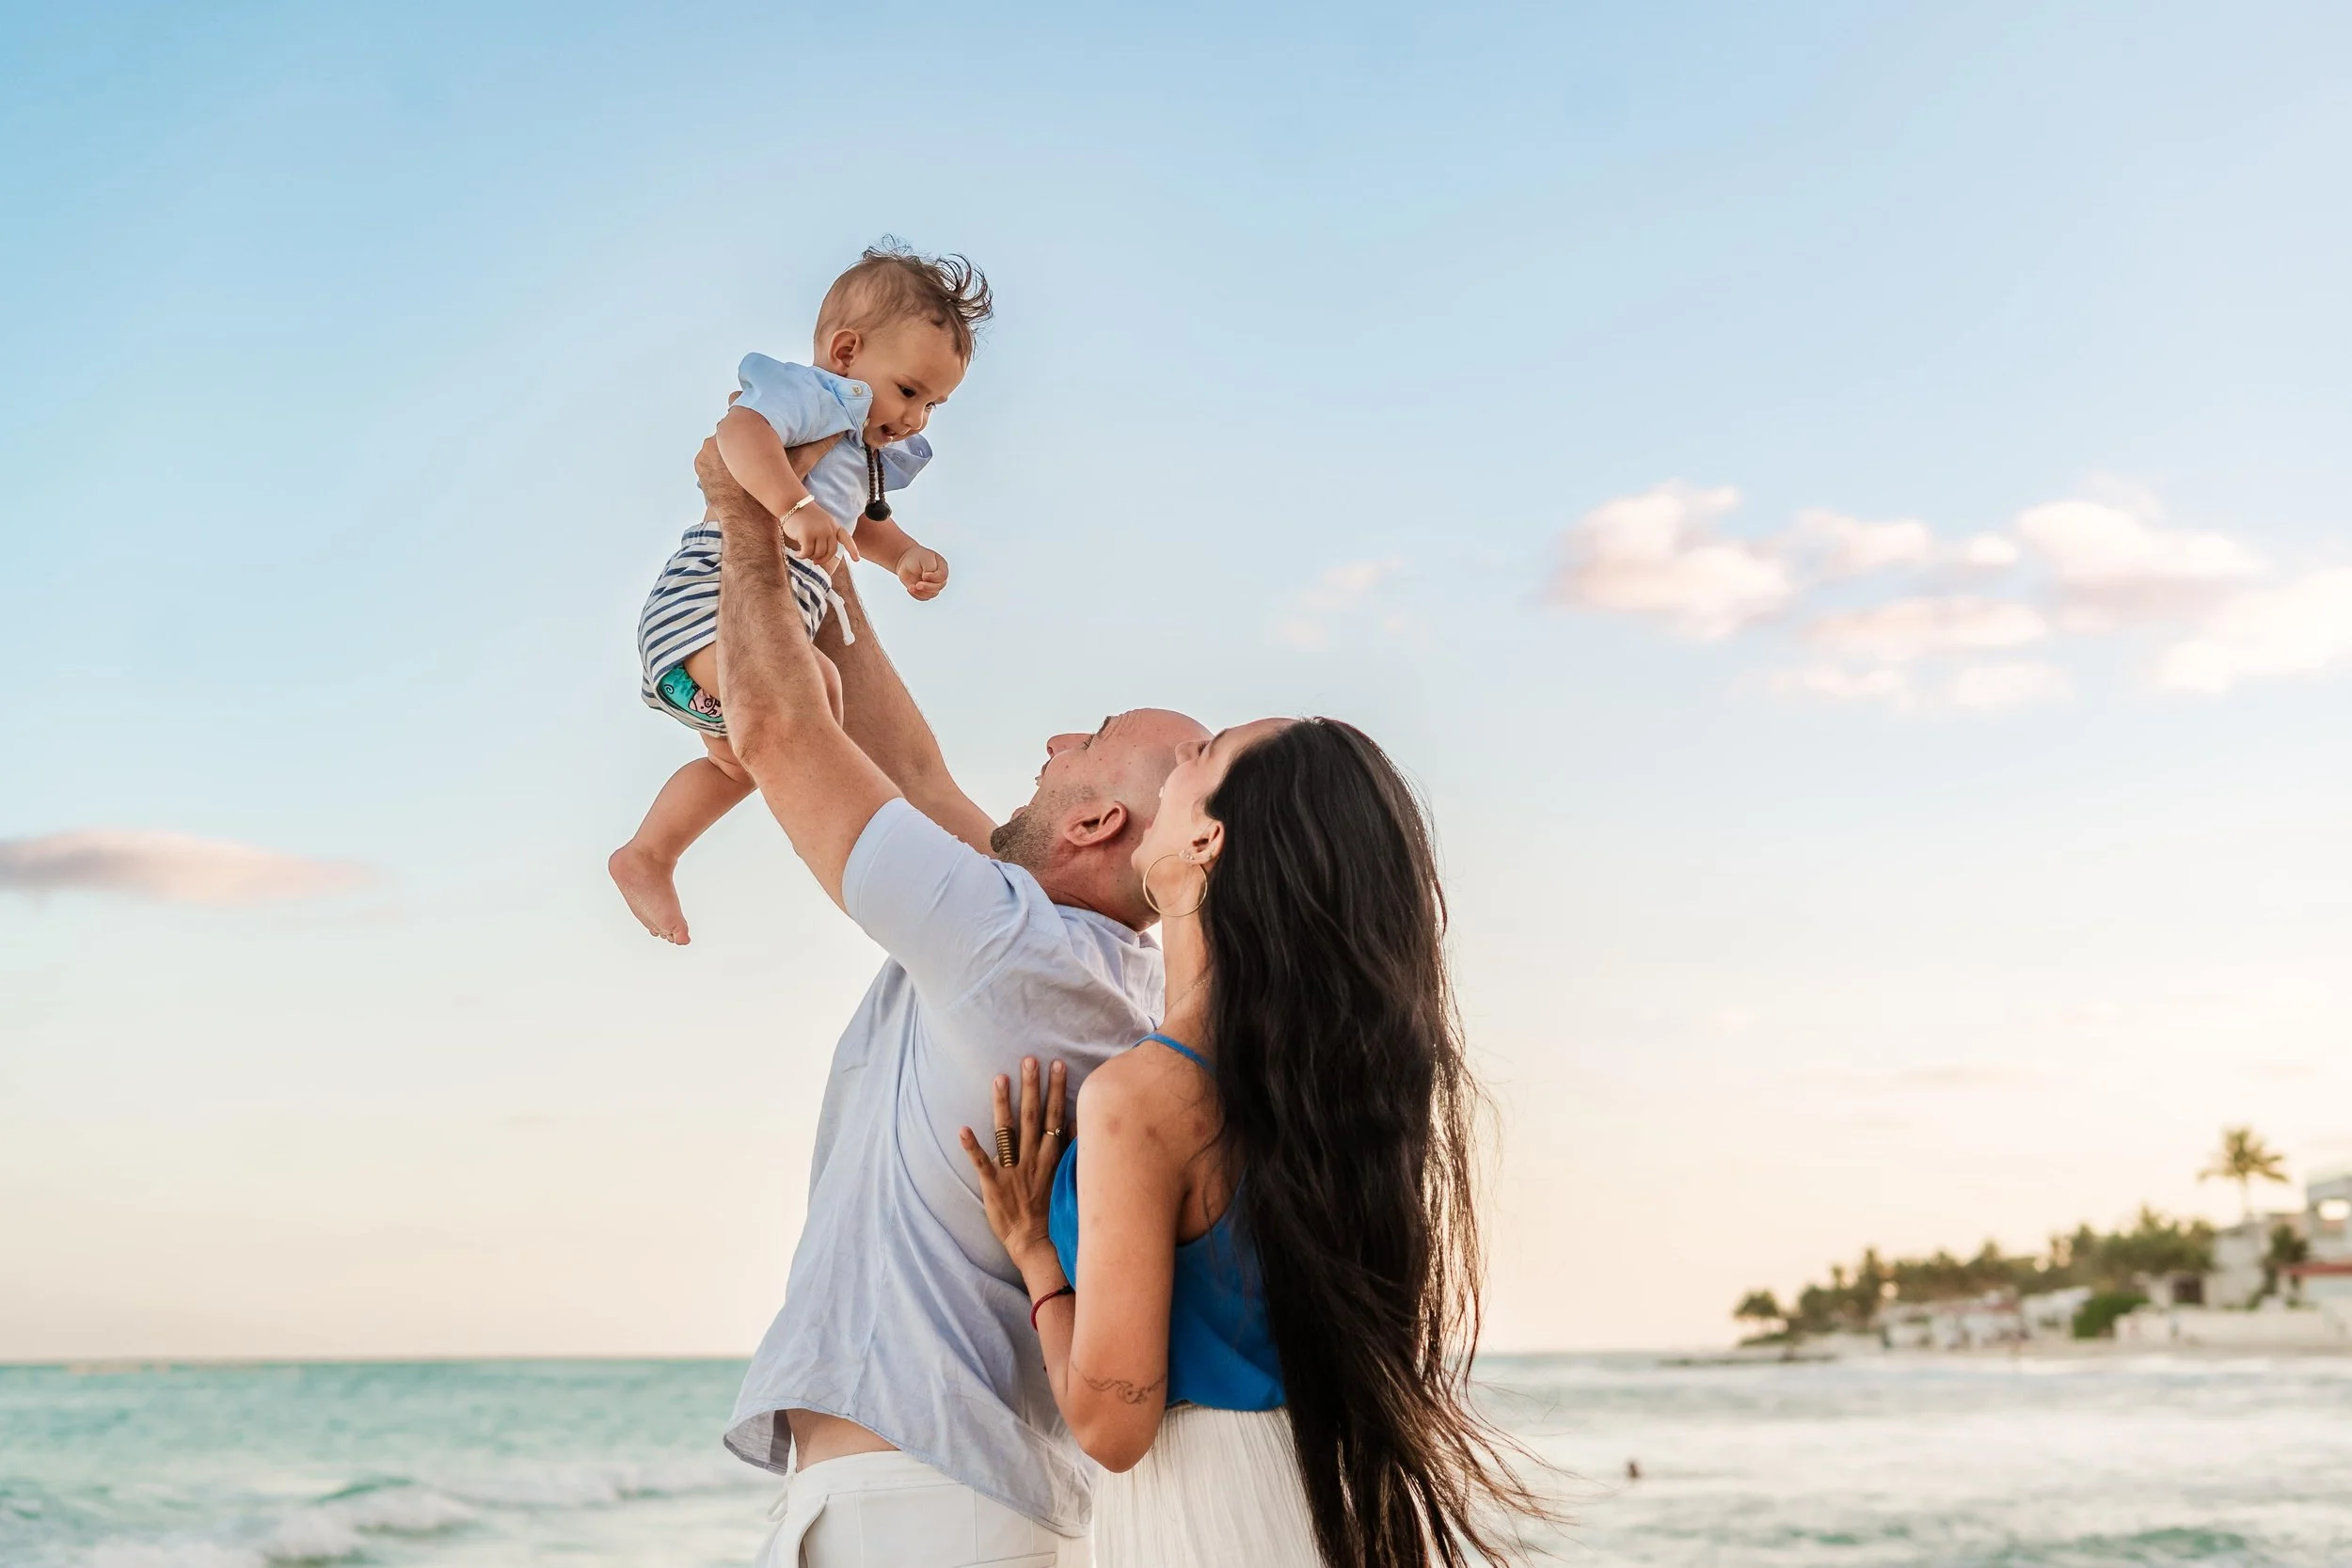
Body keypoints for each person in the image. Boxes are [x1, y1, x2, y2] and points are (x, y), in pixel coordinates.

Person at [689, 436, 1210, 1568]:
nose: (1055, 741)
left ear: (1093, 825)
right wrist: (823, 559)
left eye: (1092, 739)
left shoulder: (1008, 945)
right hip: (957, 1498)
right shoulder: (1086, 960)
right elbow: (915, 776)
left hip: (916, 1509)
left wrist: (741, 518)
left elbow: (780, 732)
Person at [964, 718, 1548, 1567]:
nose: (1179, 763)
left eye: (1204, 753)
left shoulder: (1143, 1097)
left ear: (1207, 838)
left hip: (1207, 1512)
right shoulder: (1327, 1087)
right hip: (1323, 1486)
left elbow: (1111, 1424)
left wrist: (1034, 1254)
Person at [611, 240, 988, 945]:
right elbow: (736, 434)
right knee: (806, 697)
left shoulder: (862, 447)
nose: (916, 419)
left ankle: (649, 853)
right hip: (705, 601)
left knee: (737, 767)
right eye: (910, 391)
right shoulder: (813, 395)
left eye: (934, 405)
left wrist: (904, 553)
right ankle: (847, 823)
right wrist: (788, 507)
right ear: (845, 352)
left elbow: (855, 527)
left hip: (742, 634)